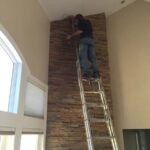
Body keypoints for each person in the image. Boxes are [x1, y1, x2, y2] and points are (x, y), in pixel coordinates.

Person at [67, 14, 100, 79]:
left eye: (76, 20)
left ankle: (87, 73)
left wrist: (70, 36)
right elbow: (84, 28)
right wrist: (75, 25)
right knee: (92, 57)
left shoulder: (80, 21)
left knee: (83, 56)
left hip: (84, 40)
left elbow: (80, 31)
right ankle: (96, 73)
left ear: (77, 19)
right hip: (91, 41)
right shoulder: (88, 22)